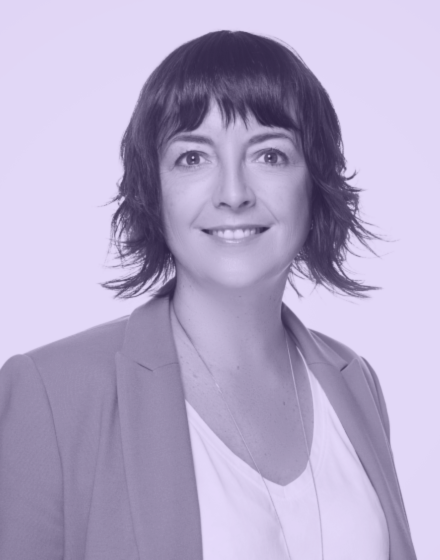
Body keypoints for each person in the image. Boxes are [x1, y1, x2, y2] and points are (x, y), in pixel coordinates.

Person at [0, 31, 417, 560]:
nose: (233, 193)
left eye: (270, 154)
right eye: (193, 157)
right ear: (153, 190)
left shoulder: (355, 381)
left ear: (315, 183)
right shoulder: (50, 393)